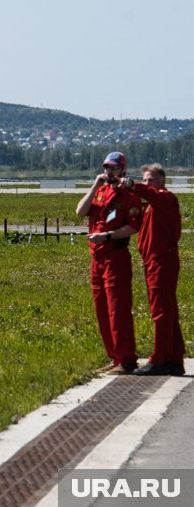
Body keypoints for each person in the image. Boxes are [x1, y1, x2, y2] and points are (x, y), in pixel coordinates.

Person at [76, 151, 143, 374]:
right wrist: (95, 186)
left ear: (122, 169)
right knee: (102, 309)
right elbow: (80, 211)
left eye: (113, 168)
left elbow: (133, 227)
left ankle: (126, 359)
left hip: (116, 256)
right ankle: (114, 357)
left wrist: (106, 236)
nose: (109, 171)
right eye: (106, 167)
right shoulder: (100, 191)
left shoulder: (129, 195)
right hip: (97, 258)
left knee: (118, 309)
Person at [121, 164, 185, 375]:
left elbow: (149, 194)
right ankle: (175, 358)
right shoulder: (152, 205)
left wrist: (134, 185)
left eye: (152, 180)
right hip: (154, 260)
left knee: (160, 311)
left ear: (162, 182)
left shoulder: (165, 198)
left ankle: (159, 359)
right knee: (168, 310)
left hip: (161, 260)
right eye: (145, 180)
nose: (148, 184)